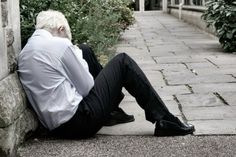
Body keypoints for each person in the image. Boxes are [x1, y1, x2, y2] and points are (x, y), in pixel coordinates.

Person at [18, 10, 195, 139]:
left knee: (85, 49)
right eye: (67, 38)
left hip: (56, 128)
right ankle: (165, 120)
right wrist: (74, 53)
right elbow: (87, 87)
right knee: (123, 62)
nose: (68, 43)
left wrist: (78, 53)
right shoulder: (59, 46)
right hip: (80, 123)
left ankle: (112, 112)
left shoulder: (26, 52)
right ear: (61, 29)